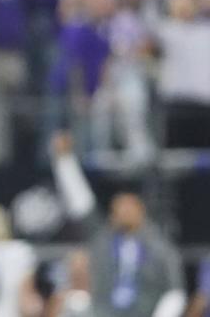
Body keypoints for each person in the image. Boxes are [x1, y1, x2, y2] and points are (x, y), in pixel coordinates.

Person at [51, 133, 186, 317]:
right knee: (72, 307)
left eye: (127, 207)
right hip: (103, 312)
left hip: (143, 313)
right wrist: (65, 162)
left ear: (141, 210)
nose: (121, 212)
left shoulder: (159, 246)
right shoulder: (102, 237)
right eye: (117, 207)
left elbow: (175, 291)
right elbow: (80, 203)